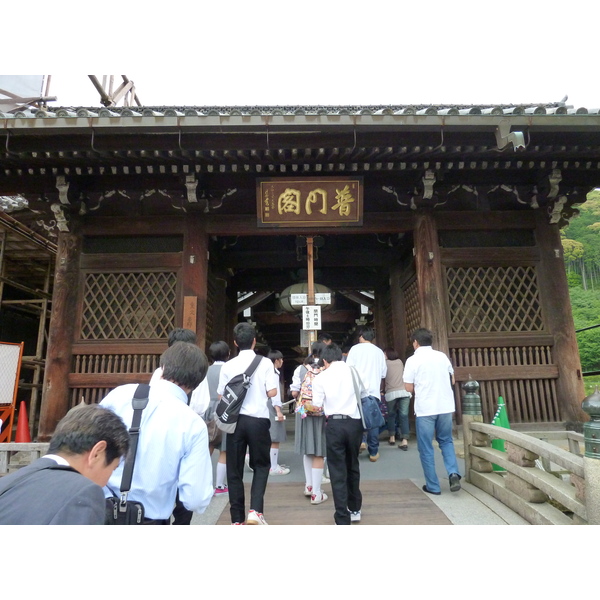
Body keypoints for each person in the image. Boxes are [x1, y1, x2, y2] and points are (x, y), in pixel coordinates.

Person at [101, 341, 214, 524]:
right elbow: (195, 498)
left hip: (100, 510)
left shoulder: (118, 395)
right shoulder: (192, 424)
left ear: (162, 368)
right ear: (197, 383)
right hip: (149, 519)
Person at [0, 404, 129, 525]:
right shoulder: (84, 492)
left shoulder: (8, 482)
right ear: (97, 453)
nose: (106, 482)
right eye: (113, 468)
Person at [217, 322, 279, 525]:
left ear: (235, 342)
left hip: (235, 422)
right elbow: (272, 392)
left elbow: (221, 396)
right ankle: (255, 511)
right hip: (258, 420)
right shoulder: (265, 363)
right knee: (261, 465)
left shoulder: (228, 365)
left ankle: (237, 520)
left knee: (234, 470)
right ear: (254, 341)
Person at [149, 327, 210, 524]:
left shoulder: (160, 372)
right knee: (186, 488)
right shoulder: (198, 372)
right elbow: (202, 404)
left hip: (157, 433)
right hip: (187, 432)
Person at [403, 328, 461, 495]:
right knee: (446, 441)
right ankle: (453, 473)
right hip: (445, 406)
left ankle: (433, 486)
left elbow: (408, 387)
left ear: (415, 342)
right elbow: (453, 379)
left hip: (425, 409)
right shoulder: (442, 357)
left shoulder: (412, 360)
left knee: (426, 447)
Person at [311, 343, 365, 525]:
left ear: (325, 360)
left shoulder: (321, 378)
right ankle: (355, 508)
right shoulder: (354, 372)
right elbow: (363, 394)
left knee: (337, 470)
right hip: (354, 423)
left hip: (334, 424)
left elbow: (317, 405)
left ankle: (342, 515)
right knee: (352, 465)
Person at [346, 327, 387, 462]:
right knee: (373, 421)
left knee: (357, 419)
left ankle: (361, 441)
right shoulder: (379, 352)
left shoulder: (354, 349)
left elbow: (349, 369)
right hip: (373, 391)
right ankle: (373, 452)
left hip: (356, 391)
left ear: (362, 336)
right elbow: (383, 373)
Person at [203, 340, 231, 494]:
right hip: (225, 408)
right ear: (228, 354)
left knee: (208, 446)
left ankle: (204, 483)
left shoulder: (205, 371)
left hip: (208, 409)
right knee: (224, 450)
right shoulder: (229, 369)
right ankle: (220, 486)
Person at [383, 347, 411, 450]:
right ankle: (405, 440)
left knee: (391, 415)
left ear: (387, 354)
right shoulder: (400, 362)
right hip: (404, 391)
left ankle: (392, 437)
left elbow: (382, 377)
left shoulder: (385, 364)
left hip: (391, 392)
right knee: (404, 415)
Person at [267, 349, 290, 476]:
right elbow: (274, 394)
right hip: (271, 405)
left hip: (263, 405)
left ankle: (270, 463)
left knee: (267, 434)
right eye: (281, 359)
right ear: (276, 361)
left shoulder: (265, 372)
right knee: (275, 436)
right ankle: (273, 466)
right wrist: (278, 411)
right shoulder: (273, 374)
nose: (282, 361)